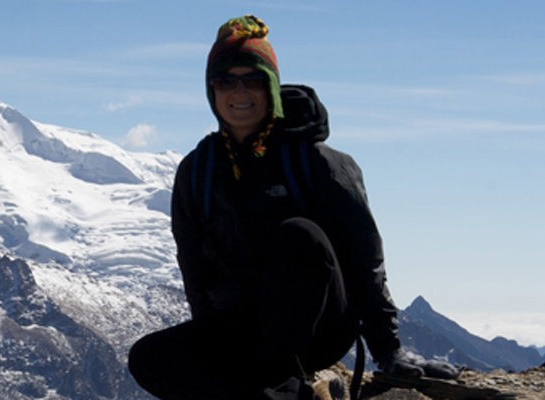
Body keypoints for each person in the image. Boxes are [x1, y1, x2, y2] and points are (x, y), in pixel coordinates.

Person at [127, 14, 425, 399]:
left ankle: (280, 384)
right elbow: (195, 268)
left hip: (321, 327)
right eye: (226, 80)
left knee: (299, 236)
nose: (240, 91)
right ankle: (298, 392)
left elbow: (364, 256)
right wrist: (209, 341)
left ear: (270, 87)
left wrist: (389, 350)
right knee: (148, 359)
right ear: (211, 91)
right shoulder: (198, 170)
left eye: (252, 79)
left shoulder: (317, 162)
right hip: (243, 325)